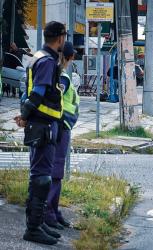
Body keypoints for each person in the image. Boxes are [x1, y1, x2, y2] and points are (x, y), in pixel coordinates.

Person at [14, 21, 66, 245]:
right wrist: (25, 116)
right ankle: (33, 228)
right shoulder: (46, 61)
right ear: (60, 38)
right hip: (42, 125)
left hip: (43, 124)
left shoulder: (40, 56)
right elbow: (37, 93)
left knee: (40, 177)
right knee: (42, 178)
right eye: (65, 36)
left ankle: (38, 223)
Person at [45, 41, 79, 230]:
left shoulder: (61, 74)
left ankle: (54, 211)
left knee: (55, 171)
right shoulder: (63, 77)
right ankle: (49, 212)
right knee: (56, 172)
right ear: (70, 57)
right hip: (60, 126)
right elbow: (55, 99)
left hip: (60, 125)